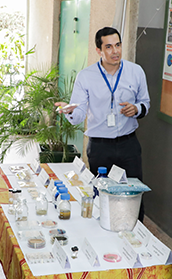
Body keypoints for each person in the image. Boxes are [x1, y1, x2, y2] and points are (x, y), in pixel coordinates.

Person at [55, 26, 150, 220]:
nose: (115, 51)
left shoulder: (136, 71)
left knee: (133, 195)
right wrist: (70, 111)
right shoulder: (86, 76)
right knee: (101, 197)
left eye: (118, 45)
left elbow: (145, 103)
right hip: (100, 146)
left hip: (128, 144)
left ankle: (135, 240)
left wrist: (137, 109)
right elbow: (79, 114)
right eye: (109, 47)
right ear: (99, 50)